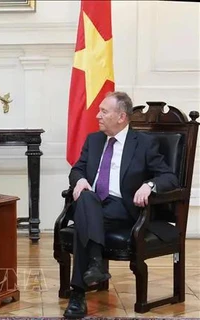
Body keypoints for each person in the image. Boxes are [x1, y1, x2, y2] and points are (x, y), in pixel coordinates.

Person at [63, 91, 179, 319]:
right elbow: (77, 169)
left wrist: (149, 185)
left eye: (103, 111)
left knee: (83, 220)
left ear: (121, 117)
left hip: (123, 208)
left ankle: (78, 295)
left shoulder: (144, 143)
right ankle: (95, 265)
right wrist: (80, 179)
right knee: (87, 199)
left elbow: (169, 177)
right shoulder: (93, 140)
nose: (97, 116)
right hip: (93, 203)